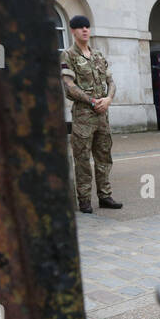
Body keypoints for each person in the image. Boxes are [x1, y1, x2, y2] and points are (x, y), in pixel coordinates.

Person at [61, 15, 122, 213]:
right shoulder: (68, 55)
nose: (84, 30)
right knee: (82, 160)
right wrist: (93, 101)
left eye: (87, 27)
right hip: (83, 117)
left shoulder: (98, 55)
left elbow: (111, 82)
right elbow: (69, 86)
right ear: (73, 31)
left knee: (104, 157)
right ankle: (85, 200)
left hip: (102, 115)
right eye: (80, 27)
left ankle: (105, 196)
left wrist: (108, 99)